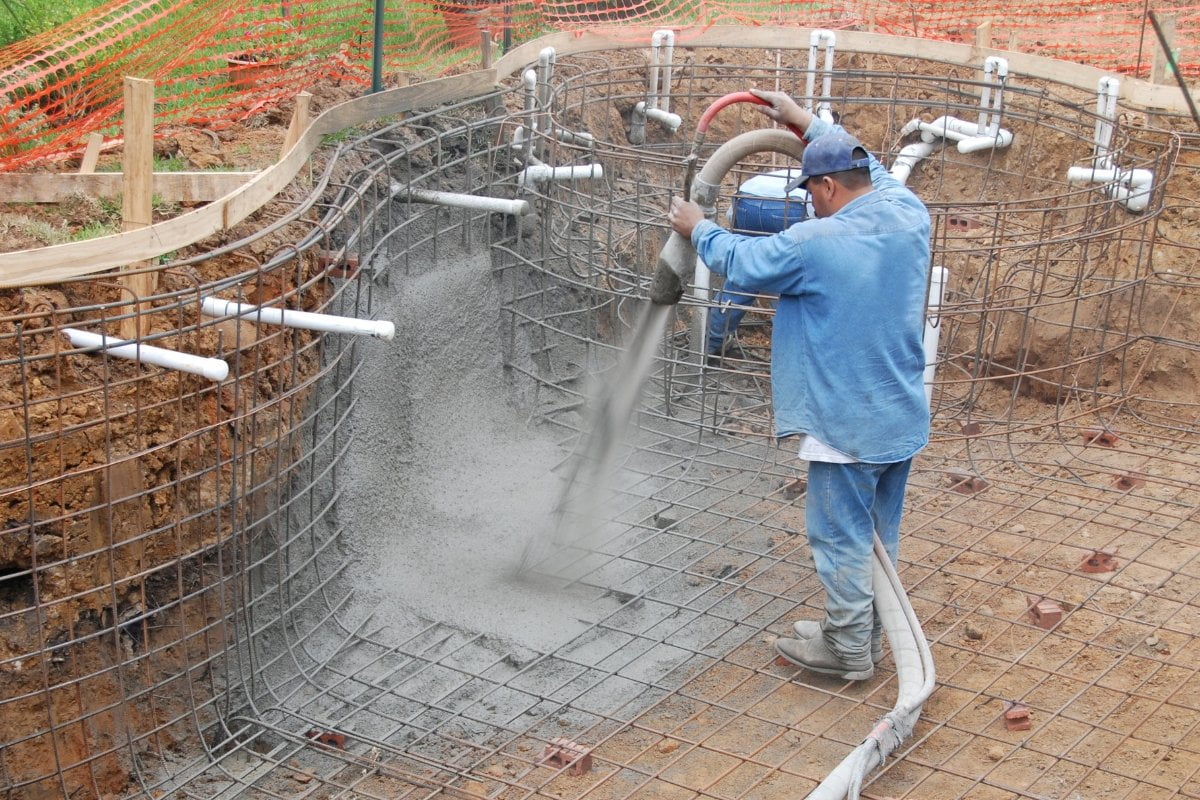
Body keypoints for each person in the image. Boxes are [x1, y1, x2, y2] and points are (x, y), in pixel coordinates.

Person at [666, 89, 931, 681]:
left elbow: (743, 261)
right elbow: (877, 168)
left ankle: (847, 650)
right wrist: (807, 124)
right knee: (878, 538)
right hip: (900, 412)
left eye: (810, 191)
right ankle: (866, 630)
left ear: (829, 188)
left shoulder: (818, 244)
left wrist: (698, 226)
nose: (809, 203)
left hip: (845, 421)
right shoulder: (908, 210)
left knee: (837, 537)